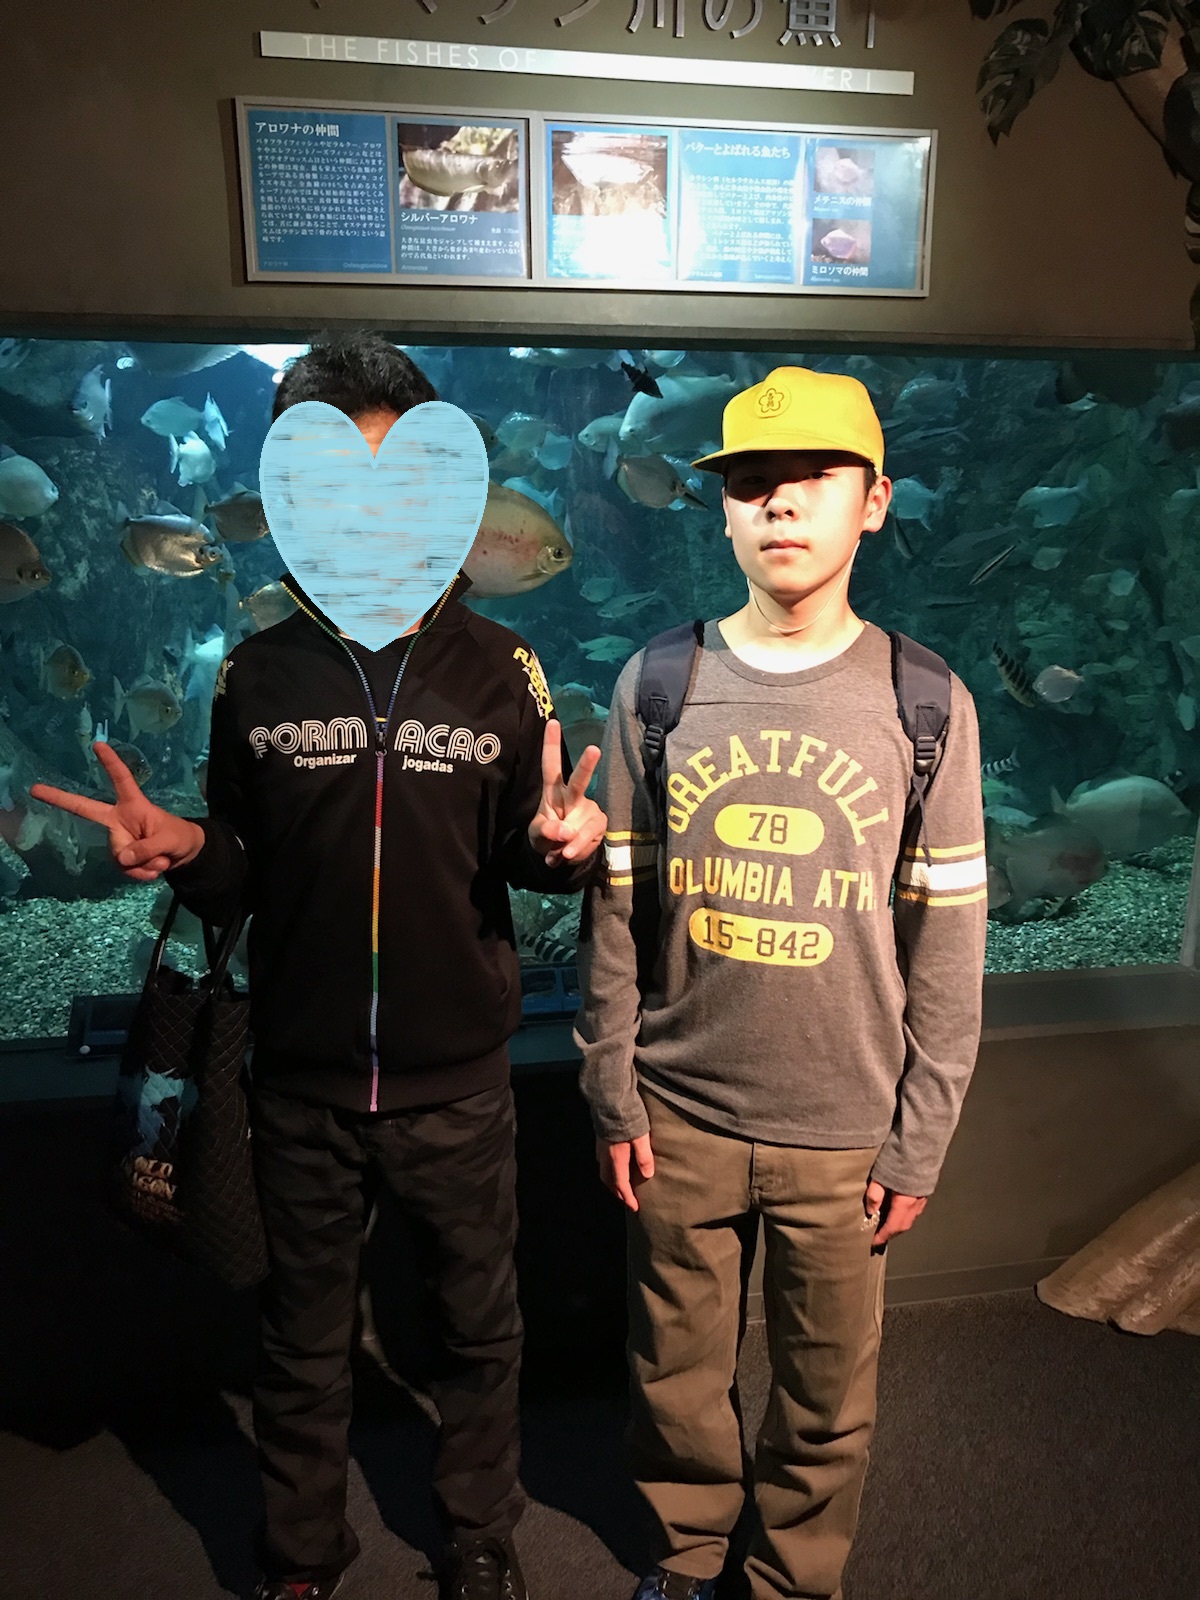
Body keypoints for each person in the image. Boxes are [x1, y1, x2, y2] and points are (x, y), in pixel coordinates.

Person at [32, 333, 606, 1600]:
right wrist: (189, 846)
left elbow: (524, 849)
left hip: (458, 1083)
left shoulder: (502, 667)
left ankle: (480, 1532)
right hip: (298, 1079)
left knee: (478, 1325)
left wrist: (564, 847)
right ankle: (301, 1551)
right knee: (300, 1335)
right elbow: (240, 859)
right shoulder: (257, 670)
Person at [575, 366, 987, 1600]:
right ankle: (686, 1554)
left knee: (825, 1390)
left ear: (875, 501)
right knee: (673, 1370)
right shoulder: (658, 683)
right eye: (752, 481)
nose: (781, 503)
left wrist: (920, 1134)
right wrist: (611, 1086)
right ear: (721, 510)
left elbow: (949, 943)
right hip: (681, 1116)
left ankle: (795, 1577)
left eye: (814, 476)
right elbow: (617, 909)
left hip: (845, 1126)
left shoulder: (927, 702)